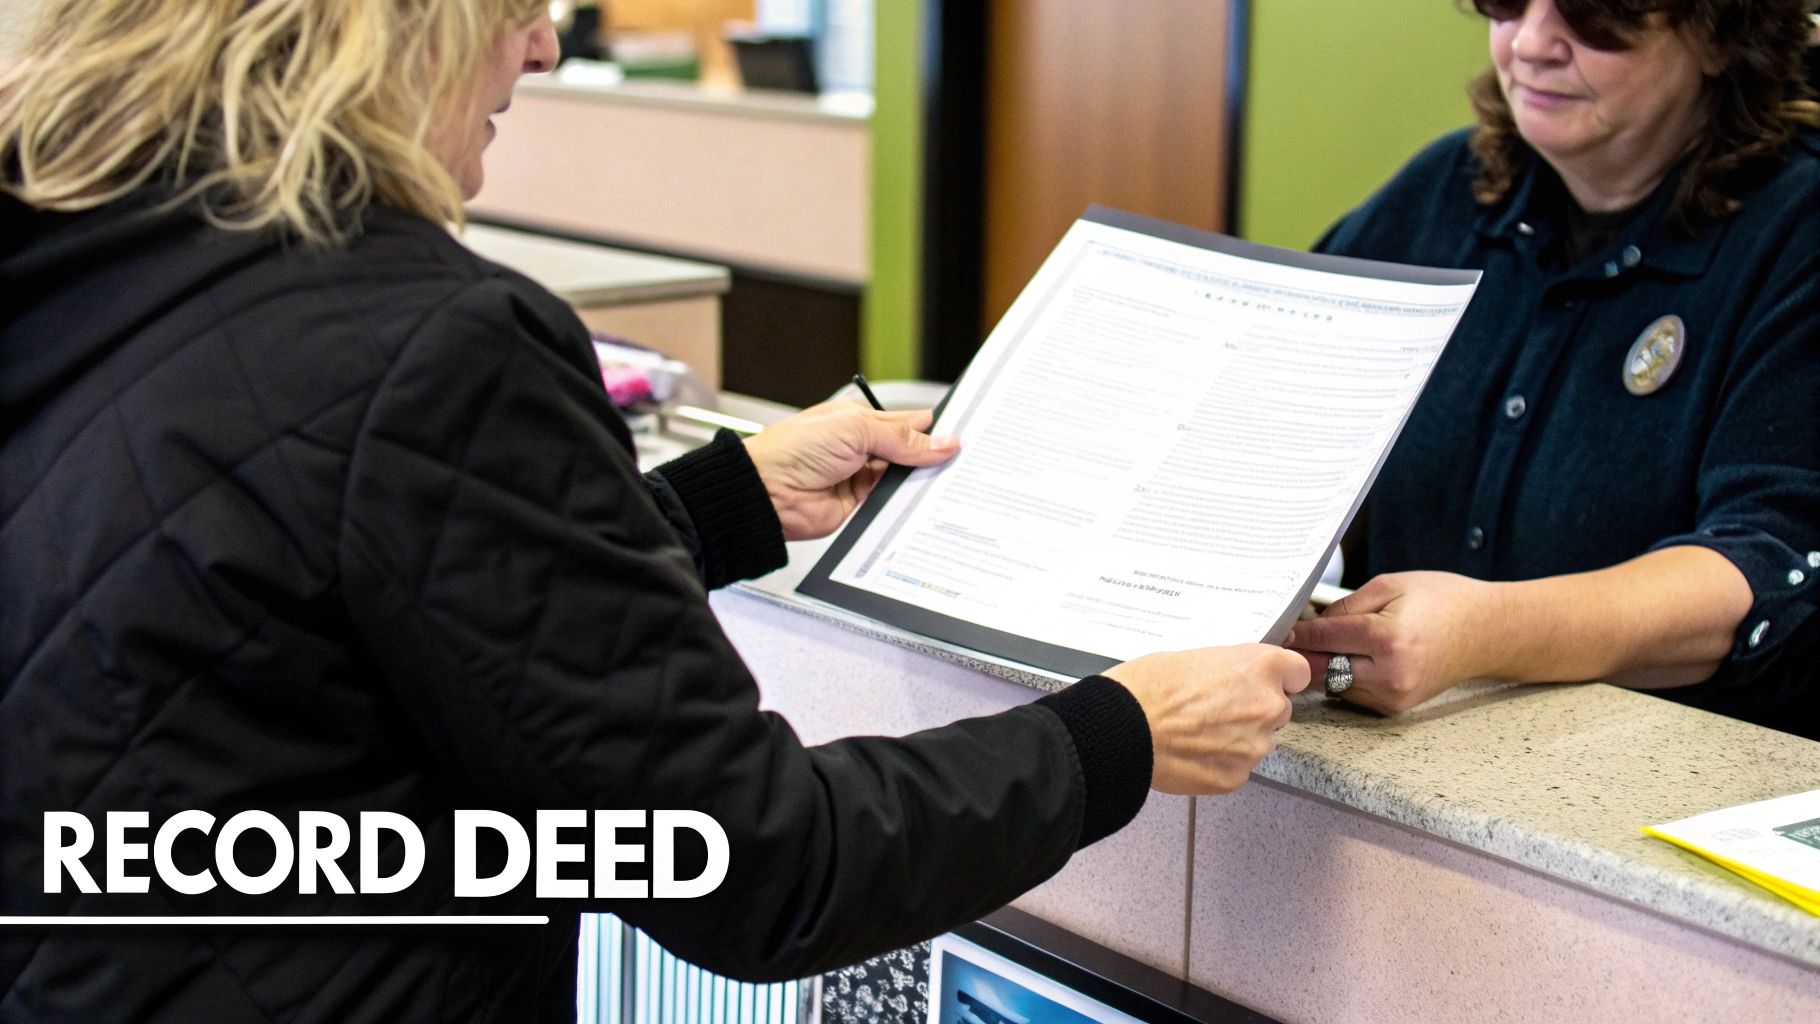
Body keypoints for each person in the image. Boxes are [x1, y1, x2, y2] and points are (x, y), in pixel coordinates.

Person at [0, 2, 1309, 1021]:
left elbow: (343, 588)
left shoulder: (87, 253)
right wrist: (1119, 736)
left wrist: (727, 498)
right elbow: (751, 865)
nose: (543, 39)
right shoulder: (431, 345)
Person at [1289, 0, 1820, 737]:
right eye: (1507, 3)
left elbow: (1763, 566)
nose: (1532, 42)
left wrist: (1486, 633)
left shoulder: (1798, 234)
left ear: (1721, 33)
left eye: (1594, 14)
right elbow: (1277, 404)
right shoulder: (1444, 190)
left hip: (1660, 794)